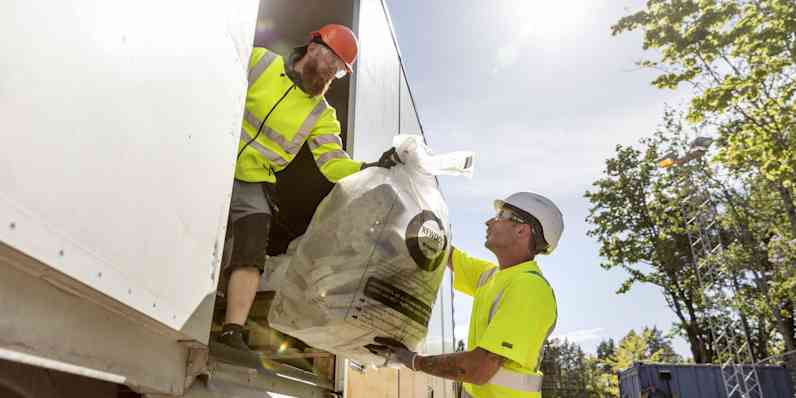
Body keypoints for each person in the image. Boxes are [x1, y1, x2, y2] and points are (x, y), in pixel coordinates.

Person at [216, 24, 400, 352]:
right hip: (215, 157)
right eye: (334, 62)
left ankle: (232, 330)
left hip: (256, 178)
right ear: (314, 46)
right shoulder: (260, 62)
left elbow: (333, 164)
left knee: (252, 249)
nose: (333, 73)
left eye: (341, 72)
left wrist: (371, 167)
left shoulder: (321, 114)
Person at [368, 192, 564, 398]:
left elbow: (477, 369)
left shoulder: (529, 288)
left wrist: (414, 361)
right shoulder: (493, 276)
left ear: (521, 230)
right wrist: (404, 211)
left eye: (501, 216)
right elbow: (446, 252)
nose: (489, 222)